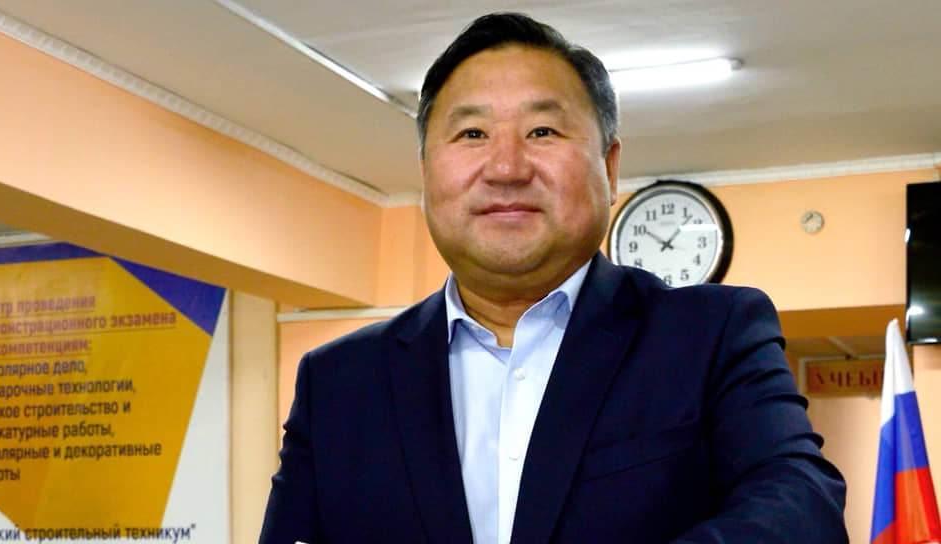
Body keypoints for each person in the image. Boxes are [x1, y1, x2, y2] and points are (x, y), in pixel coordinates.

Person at [260, 12, 847, 544]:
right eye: (471, 134)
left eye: (542, 131)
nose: (506, 168)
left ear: (610, 167)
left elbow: (801, 508)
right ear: (426, 174)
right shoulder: (338, 382)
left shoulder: (711, 334)